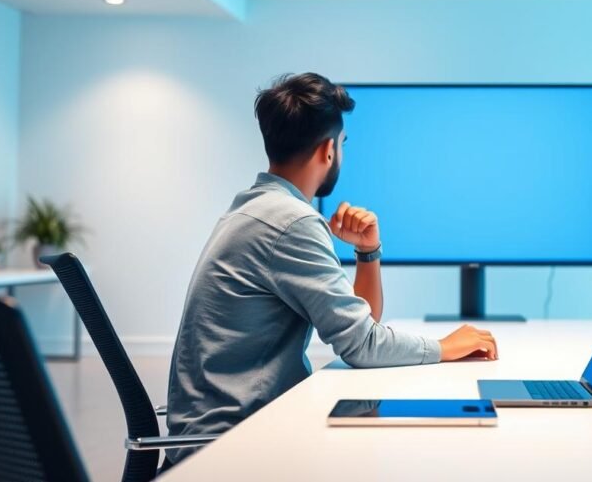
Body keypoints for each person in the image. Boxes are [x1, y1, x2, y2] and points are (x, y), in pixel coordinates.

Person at [164, 73, 498, 466]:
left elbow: (362, 325)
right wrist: (445, 347)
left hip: (228, 428)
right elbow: (363, 347)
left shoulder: (257, 207)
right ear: (328, 150)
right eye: (342, 145)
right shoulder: (290, 221)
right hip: (234, 445)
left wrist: (368, 252)